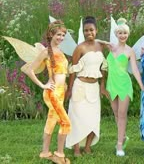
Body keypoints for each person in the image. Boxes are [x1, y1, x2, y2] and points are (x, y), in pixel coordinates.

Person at [21, 20, 71, 164]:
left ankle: (45, 152)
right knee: (65, 122)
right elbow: (29, 70)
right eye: (58, 35)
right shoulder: (45, 52)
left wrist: (65, 85)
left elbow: (62, 72)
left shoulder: (60, 51)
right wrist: (43, 85)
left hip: (61, 91)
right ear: (50, 34)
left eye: (63, 35)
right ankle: (59, 154)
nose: (61, 37)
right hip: (52, 92)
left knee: (52, 120)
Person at [102, 18, 144, 157]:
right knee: (116, 113)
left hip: (124, 85)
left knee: (122, 114)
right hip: (111, 84)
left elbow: (134, 69)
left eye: (125, 33)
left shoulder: (130, 51)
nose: (122, 36)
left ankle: (119, 146)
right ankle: (123, 136)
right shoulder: (111, 48)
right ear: (116, 34)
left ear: (128, 35)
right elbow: (95, 42)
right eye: (120, 33)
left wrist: (141, 86)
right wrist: (106, 43)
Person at [65, 16, 107, 156]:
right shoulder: (80, 48)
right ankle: (77, 149)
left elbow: (103, 68)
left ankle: (87, 147)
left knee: (93, 118)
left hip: (94, 87)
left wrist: (102, 86)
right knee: (76, 118)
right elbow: (73, 70)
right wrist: (69, 89)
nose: (89, 33)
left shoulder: (100, 46)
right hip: (80, 86)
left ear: (96, 30)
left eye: (91, 30)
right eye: (85, 31)